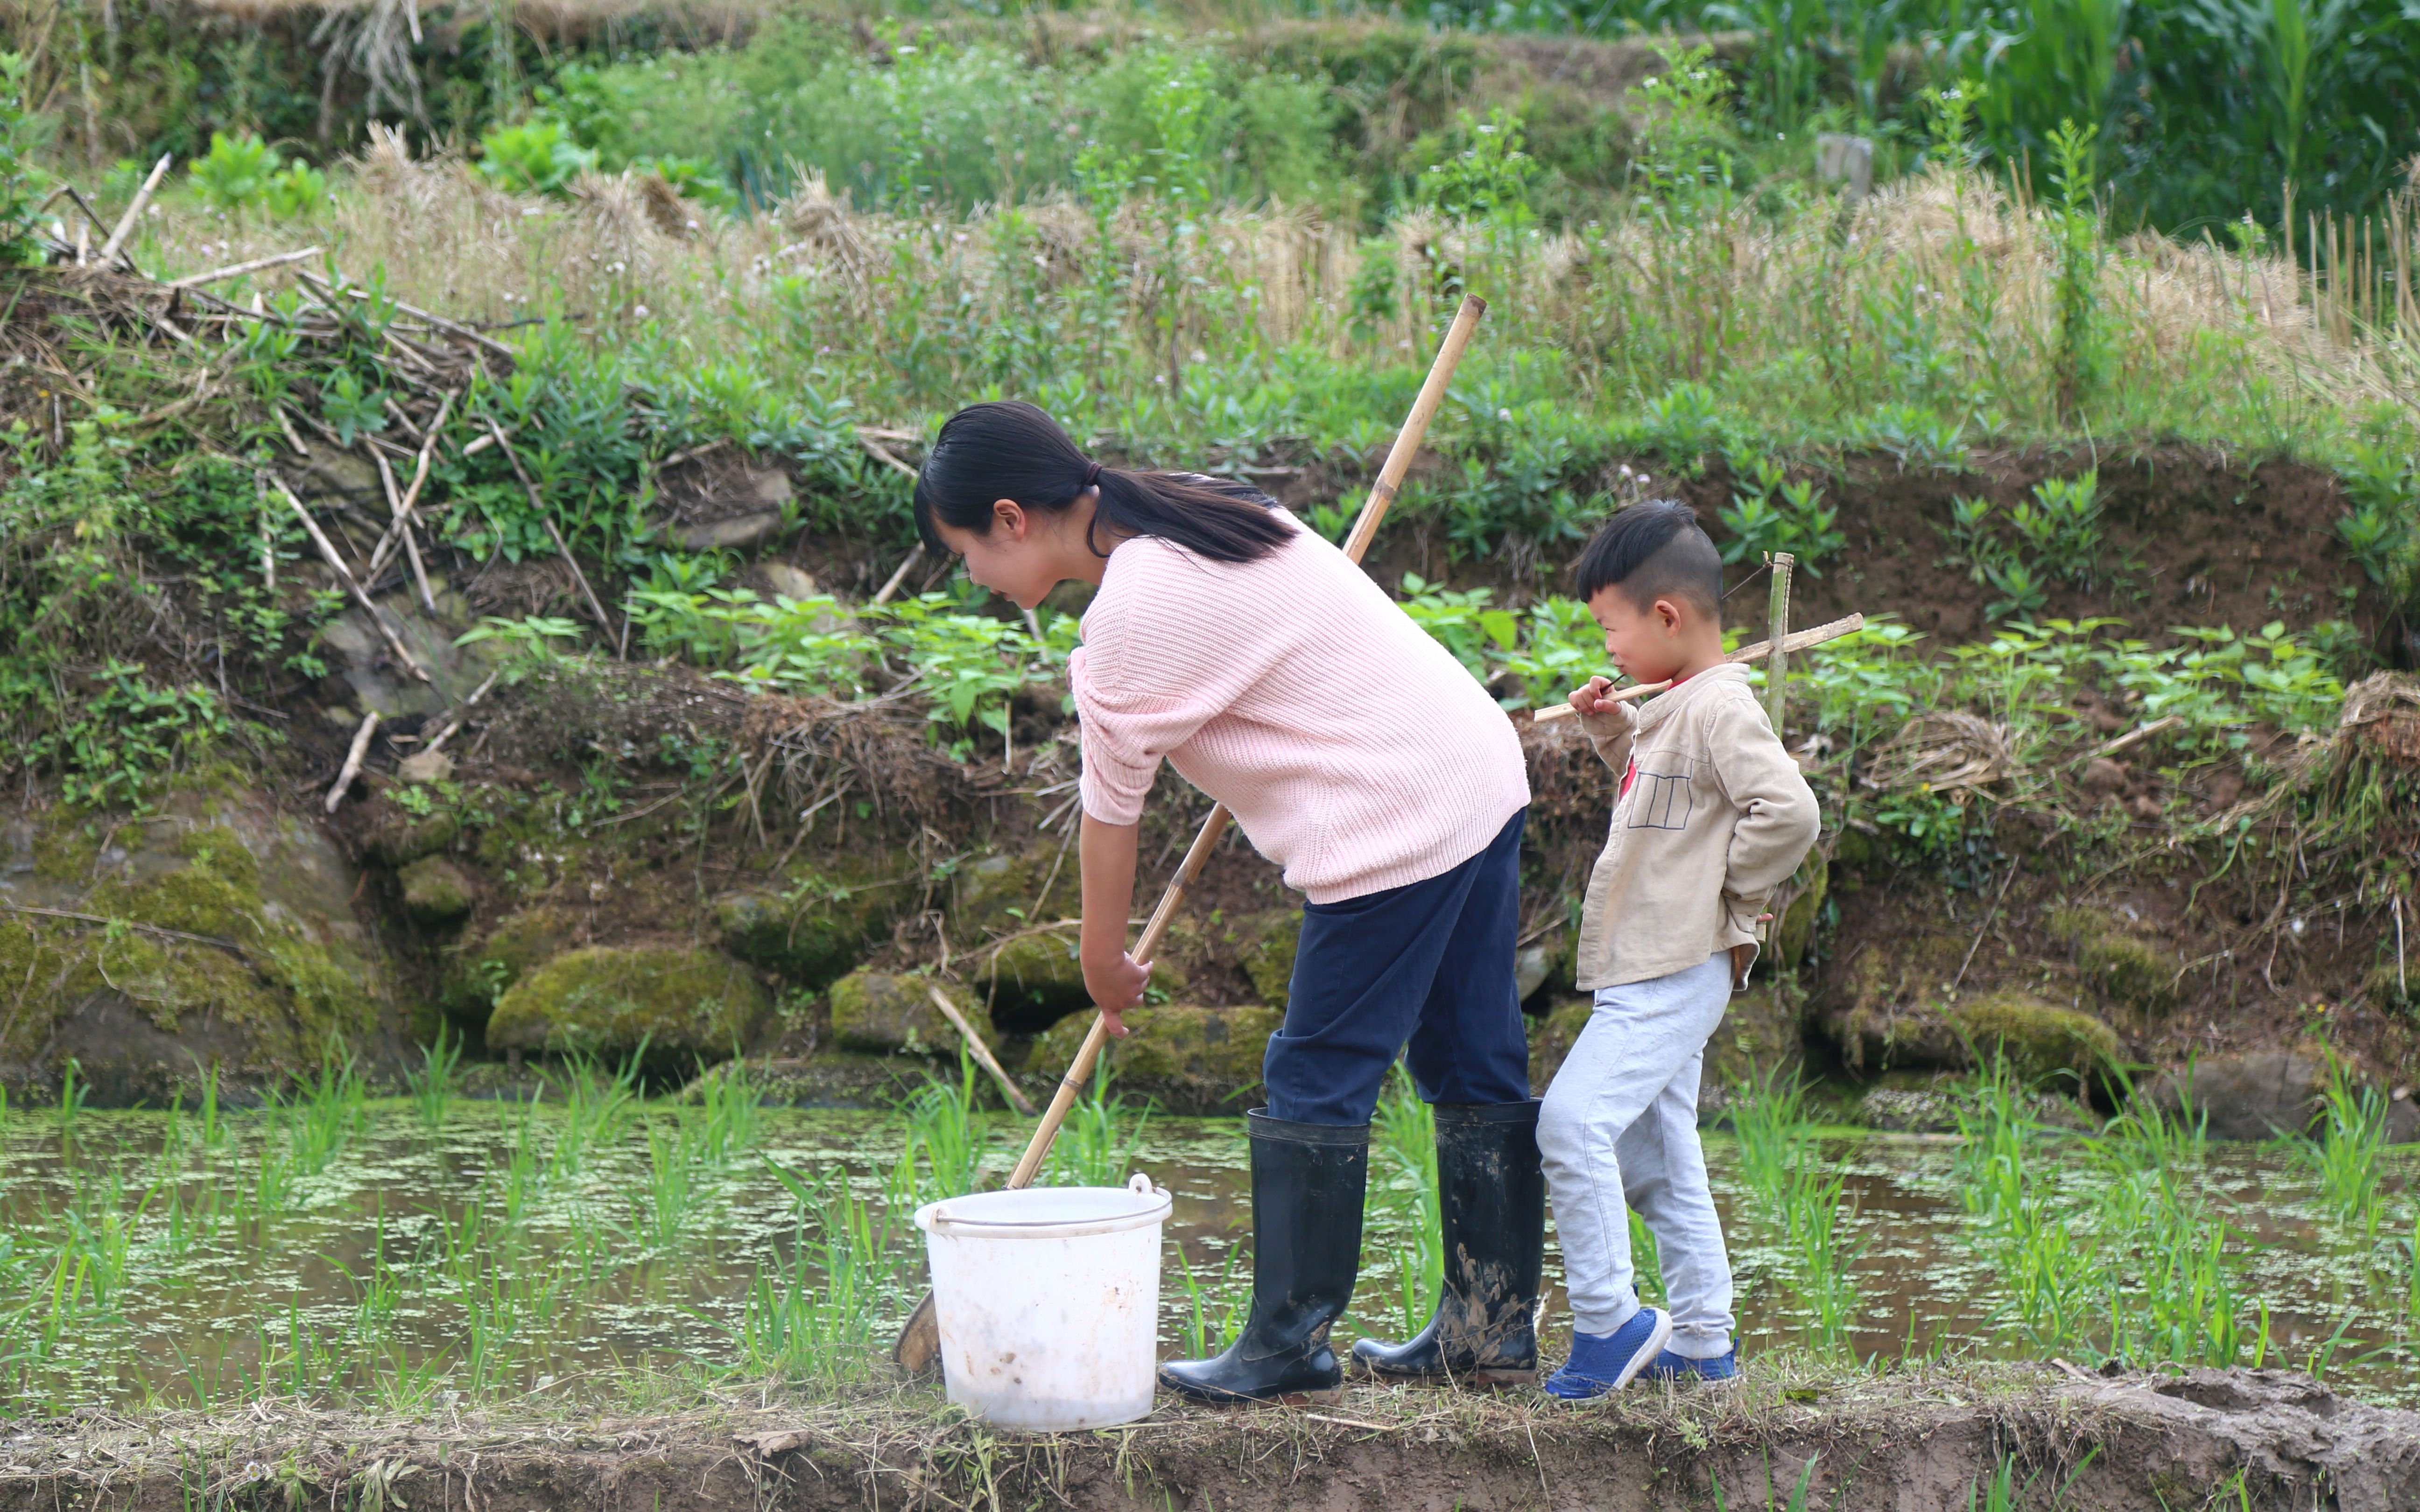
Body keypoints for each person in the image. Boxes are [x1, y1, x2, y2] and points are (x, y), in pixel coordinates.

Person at [913, 400, 1542, 1403]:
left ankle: (1290, 1344)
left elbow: (1110, 817)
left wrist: (1100, 965)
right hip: (1472, 769)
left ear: (1010, 518)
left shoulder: (1128, 615)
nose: (974, 578)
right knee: (1472, 1054)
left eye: (964, 554)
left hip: (1397, 816)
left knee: (1317, 1069)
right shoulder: (1198, 506)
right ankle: (1490, 1331)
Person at [1537, 500, 1819, 1400]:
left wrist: (1730, 894)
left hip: (1672, 966)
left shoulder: (1722, 704)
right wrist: (1613, 730)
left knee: (1572, 1125)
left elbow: (1792, 813)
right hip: (1648, 964)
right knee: (1659, 1160)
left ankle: (1609, 1323)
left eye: (1610, 628)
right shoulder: (1675, 707)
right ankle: (1701, 1340)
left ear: (1667, 617)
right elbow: (1665, 807)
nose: (1608, 649)